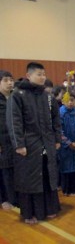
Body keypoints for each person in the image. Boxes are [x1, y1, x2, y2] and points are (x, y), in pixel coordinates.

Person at [6, 62, 61, 224]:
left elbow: (56, 121)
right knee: (31, 180)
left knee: (48, 176)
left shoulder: (48, 96)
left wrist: (57, 139)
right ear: (29, 75)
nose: (42, 77)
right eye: (39, 74)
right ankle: (31, 213)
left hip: (47, 144)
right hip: (28, 146)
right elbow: (13, 121)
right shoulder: (17, 95)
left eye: (44, 74)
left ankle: (50, 209)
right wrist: (19, 145)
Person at [58, 93, 75, 196]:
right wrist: (68, 143)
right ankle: (68, 190)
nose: (70, 102)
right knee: (68, 168)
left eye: (72, 100)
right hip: (66, 147)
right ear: (62, 101)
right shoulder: (60, 113)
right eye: (67, 100)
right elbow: (59, 131)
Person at [0, 70, 17, 210]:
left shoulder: (16, 98)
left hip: (15, 140)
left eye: (11, 80)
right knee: (3, 170)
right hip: (1, 141)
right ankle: (4, 199)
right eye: (5, 80)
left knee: (14, 169)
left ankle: (14, 197)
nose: (10, 82)